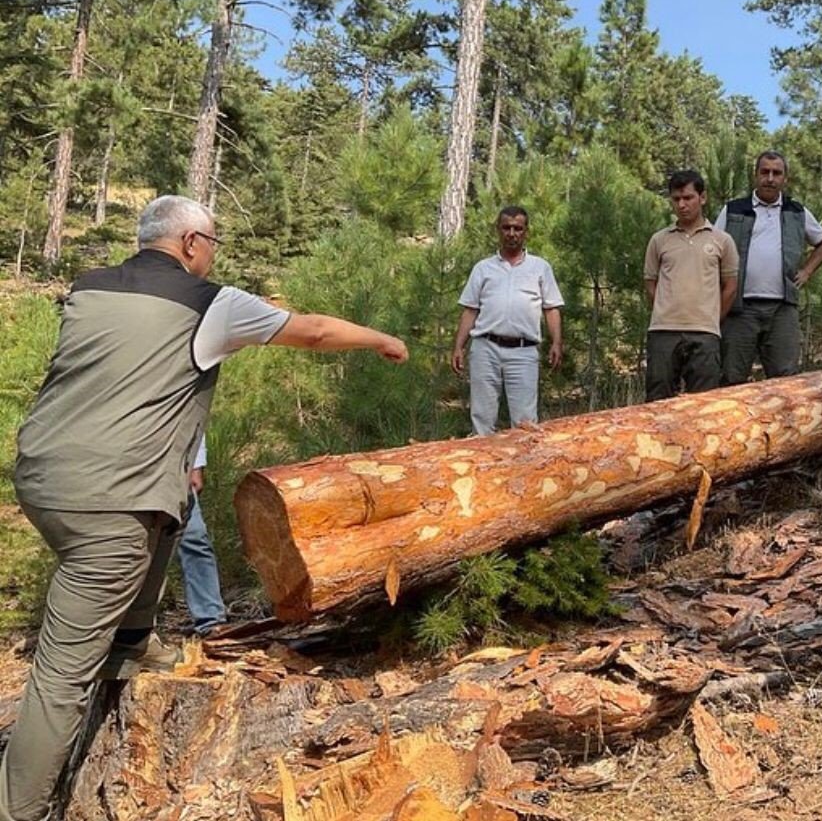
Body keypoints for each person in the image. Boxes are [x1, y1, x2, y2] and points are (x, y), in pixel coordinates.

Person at [0, 195, 408, 821]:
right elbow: (317, 331)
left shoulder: (89, 289)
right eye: (213, 244)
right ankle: (18, 809)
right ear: (192, 243)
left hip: (43, 479)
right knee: (60, 677)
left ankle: (133, 640)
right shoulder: (204, 301)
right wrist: (384, 339)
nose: (214, 255)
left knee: (173, 510)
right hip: (109, 501)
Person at [714, 151, 822, 385]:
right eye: (765, 172)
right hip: (739, 308)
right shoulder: (734, 209)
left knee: (785, 381)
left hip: (782, 309)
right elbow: (712, 248)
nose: (770, 178)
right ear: (755, 175)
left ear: (784, 178)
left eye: (776, 173)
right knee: (731, 379)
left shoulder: (796, 212)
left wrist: (807, 271)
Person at [451, 206, 564, 435]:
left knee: (525, 422)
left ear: (526, 232)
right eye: (506, 228)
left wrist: (556, 343)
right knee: (482, 418)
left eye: (517, 228)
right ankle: (482, 466)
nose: (512, 233)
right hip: (485, 348)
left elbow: (551, 308)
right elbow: (470, 310)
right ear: (498, 230)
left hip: (524, 351)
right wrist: (458, 347)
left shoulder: (540, 268)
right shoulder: (483, 269)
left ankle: (525, 468)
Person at [643, 169, 739, 400]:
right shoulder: (659, 240)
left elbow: (730, 286)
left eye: (688, 198)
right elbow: (650, 283)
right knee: (658, 400)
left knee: (703, 403)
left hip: (705, 333)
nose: (682, 205)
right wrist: (666, 310)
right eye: (676, 199)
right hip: (663, 331)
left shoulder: (722, 240)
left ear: (702, 198)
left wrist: (712, 318)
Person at [179, 438, 227, 635]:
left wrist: (196, 463)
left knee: (194, 539)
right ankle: (135, 631)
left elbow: (193, 415)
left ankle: (210, 620)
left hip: (177, 464)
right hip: (126, 466)